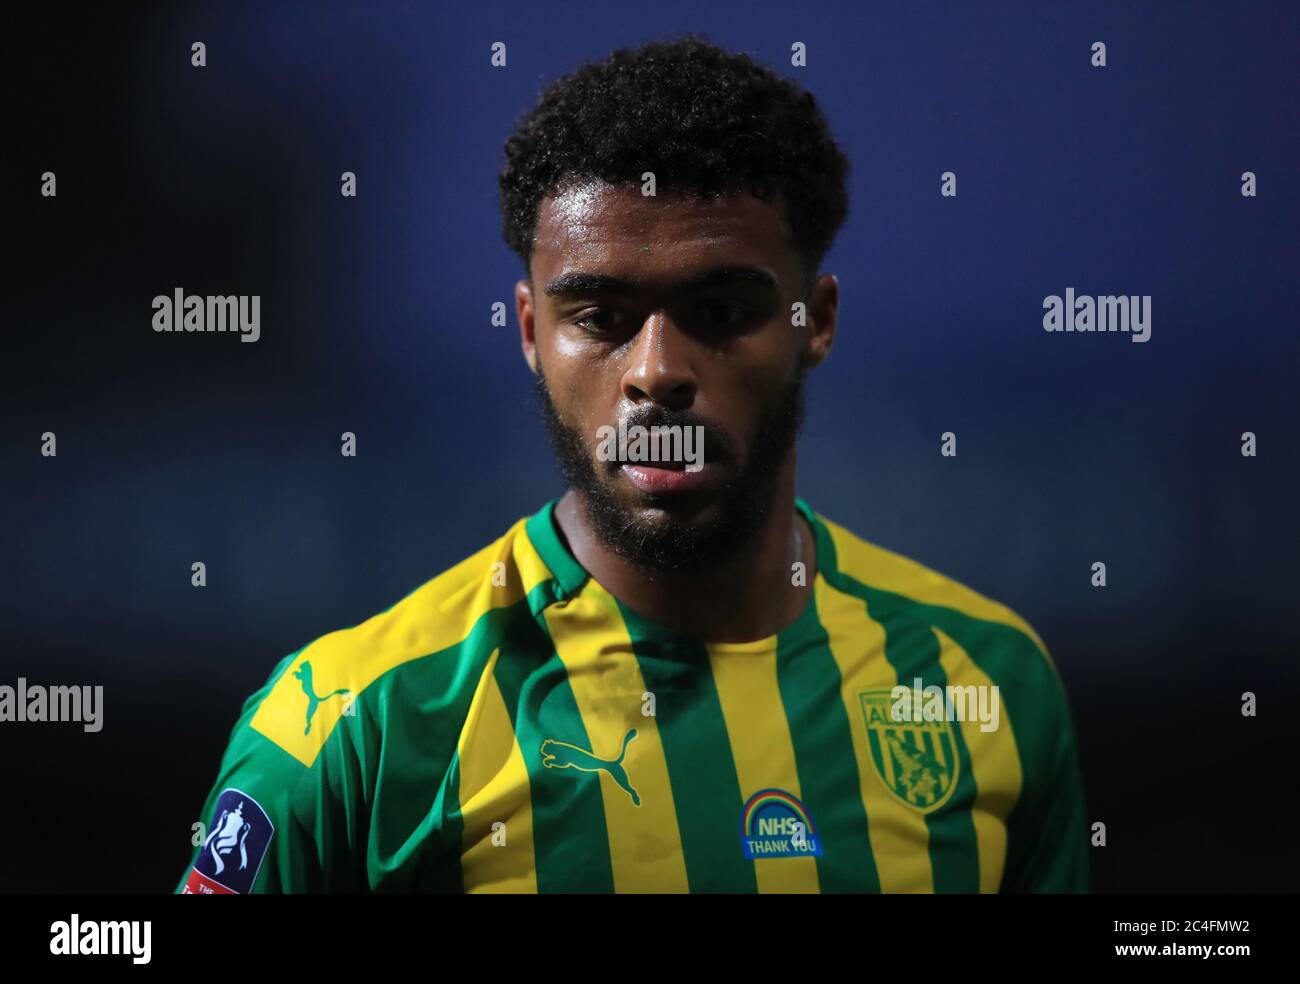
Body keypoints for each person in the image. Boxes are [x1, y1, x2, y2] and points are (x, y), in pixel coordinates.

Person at [177, 34, 1087, 894]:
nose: (656, 371)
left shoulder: (986, 684)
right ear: (531, 332)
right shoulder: (353, 727)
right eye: (601, 317)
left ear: (815, 322)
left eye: (721, 312)